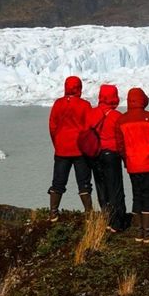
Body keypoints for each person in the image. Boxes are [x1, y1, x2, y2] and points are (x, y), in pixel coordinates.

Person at [115, 87, 149, 243]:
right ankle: (148, 233)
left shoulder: (121, 120)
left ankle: (139, 231)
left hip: (133, 164)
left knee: (138, 195)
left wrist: (127, 160)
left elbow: (120, 145)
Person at [47, 75, 94, 221]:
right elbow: (89, 128)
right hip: (80, 150)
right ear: (79, 88)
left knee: (58, 181)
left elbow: (52, 126)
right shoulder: (85, 105)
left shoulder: (58, 104)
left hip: (62, 149)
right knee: (84, 182)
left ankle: (53, 212)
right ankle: (89, 213)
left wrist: (58, 144)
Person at [86, 84, 127, 233]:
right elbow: (122, 139)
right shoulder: (117, 117)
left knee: (101, 188)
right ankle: (118, 222)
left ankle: (106, 219)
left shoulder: (91, 114)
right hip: (112, 156)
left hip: (95, 155)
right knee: (115, 188)